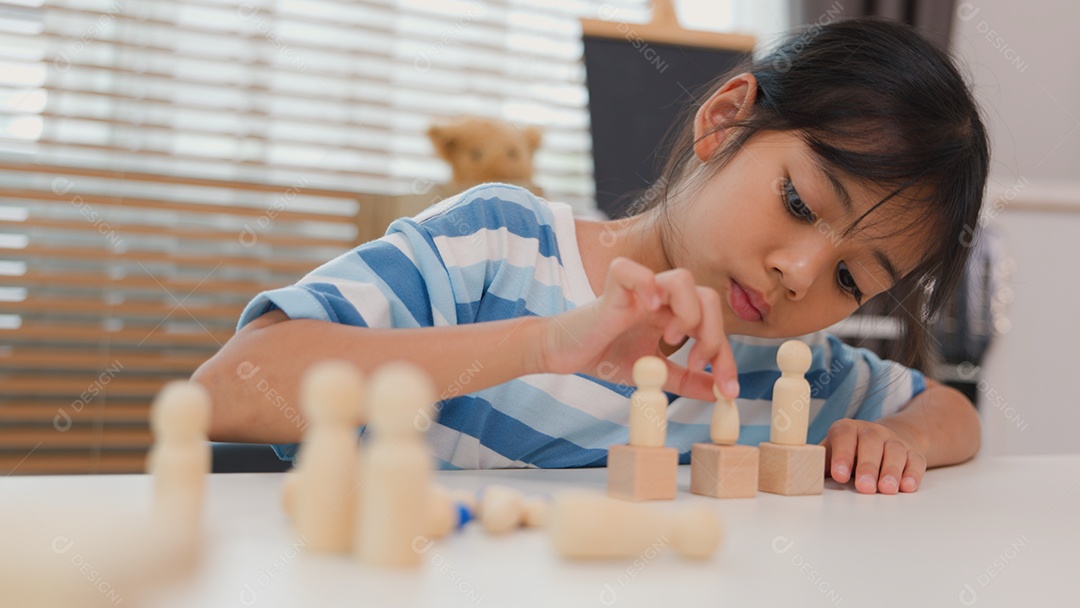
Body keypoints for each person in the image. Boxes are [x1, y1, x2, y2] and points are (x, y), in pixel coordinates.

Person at [195, 18, 989, 495]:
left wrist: (903, 440)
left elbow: (950, 412)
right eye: (799, 203)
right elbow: (227, 392)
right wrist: (544, 343)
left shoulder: (788, 374)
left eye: (851, 278)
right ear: (724, 122)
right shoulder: (498, 245)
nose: (801, 274)